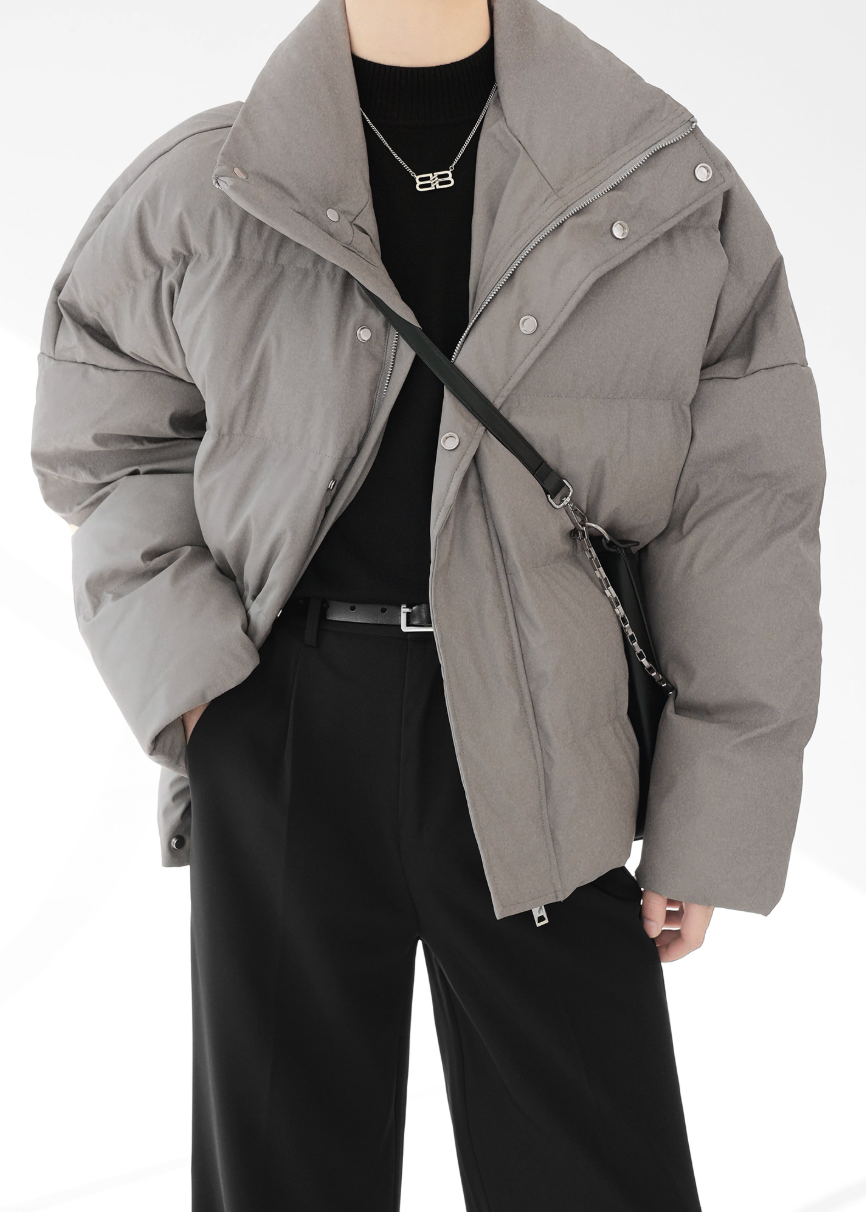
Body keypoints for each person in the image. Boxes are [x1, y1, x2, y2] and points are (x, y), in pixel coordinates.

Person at [30, 0, 825, 1207]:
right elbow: (106, 439)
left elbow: (743, 514)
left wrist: (708, 808)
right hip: (280, 717)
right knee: (281, 1177)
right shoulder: (211, 184)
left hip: (544, 727)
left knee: (597, 1172)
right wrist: (200, 694)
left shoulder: (658, 187)